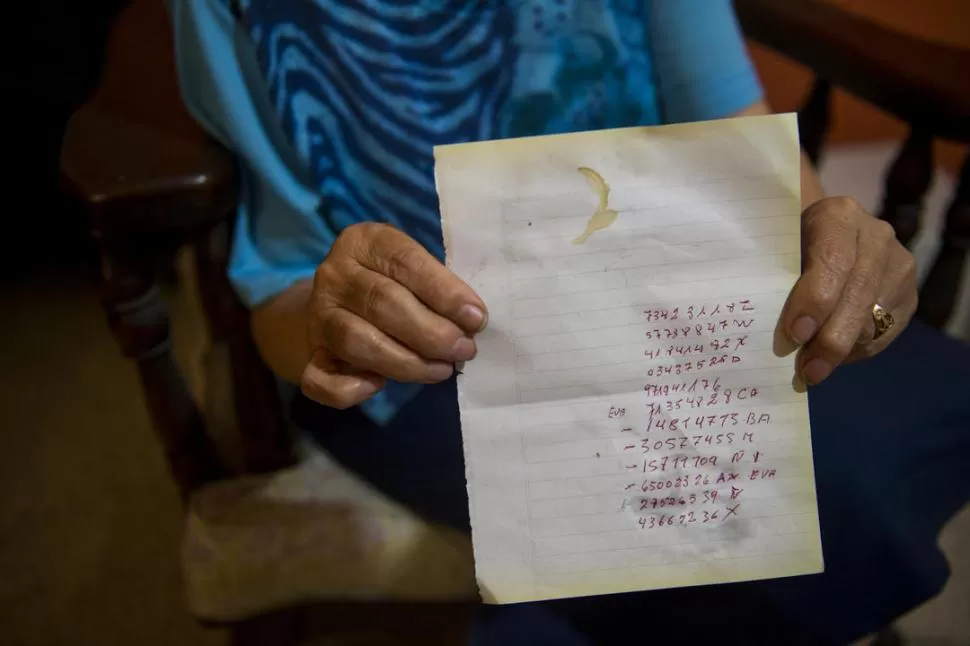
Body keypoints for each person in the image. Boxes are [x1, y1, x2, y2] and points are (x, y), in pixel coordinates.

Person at [170, 1, 970, 643]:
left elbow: (746, 148)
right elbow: (279, 291)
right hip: (426, 373)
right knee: (831, 511)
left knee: (845, 482)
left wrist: (846, 262)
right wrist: (335, 316)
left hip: (675, 308)